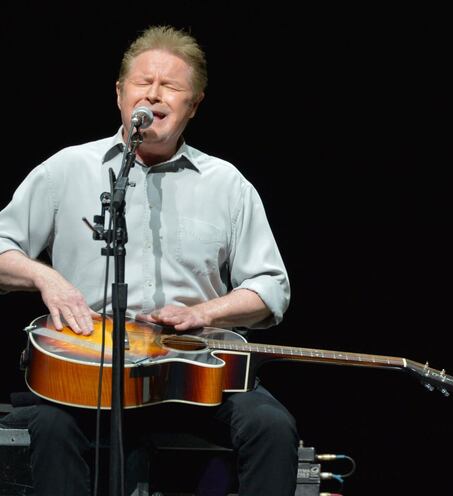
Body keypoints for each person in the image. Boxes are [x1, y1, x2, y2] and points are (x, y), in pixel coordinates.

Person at [0, 26, 298, 495]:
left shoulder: (227, 184)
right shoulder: (67, 169)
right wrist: (45, 277)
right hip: (87, 372)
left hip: (190, 373)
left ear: (193, 105)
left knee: (271, 428)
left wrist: (203, 313)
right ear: (120, 94)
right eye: (143, 83)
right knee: (50, 428)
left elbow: (270, 288)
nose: (154, 96)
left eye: (171, 87)